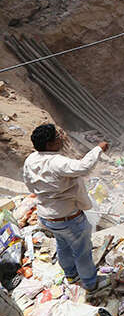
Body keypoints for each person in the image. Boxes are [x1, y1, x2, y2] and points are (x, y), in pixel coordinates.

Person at [22, 124, 110, 293]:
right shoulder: (57, 162)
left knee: (63, 245)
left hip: (47, 217)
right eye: (57, 137)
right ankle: (90, 283)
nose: (61, 139)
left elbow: (29, 184)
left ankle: (70, 275)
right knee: (82, 251)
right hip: (68, 218)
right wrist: (98, 149)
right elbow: (84, 167)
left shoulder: (31, 160)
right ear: (49, 144)